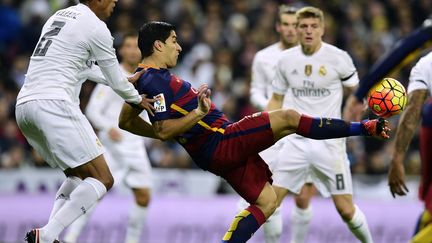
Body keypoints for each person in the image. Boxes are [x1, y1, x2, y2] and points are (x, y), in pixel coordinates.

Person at [118, 21, 390, 243]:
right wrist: (196, 115)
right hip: (222, 140)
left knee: (267, 201)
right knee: (289, 118)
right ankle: (364, 127)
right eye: (174, 40)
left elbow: (127, 122)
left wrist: (179, 130)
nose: (178, 47)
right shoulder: (154, 80)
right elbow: (164, 130)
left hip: (214, 151)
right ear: (158, 45)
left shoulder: (146, 79)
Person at [15, 1, 154, 243]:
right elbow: (115, 79)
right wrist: (136, 99)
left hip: (26, 106)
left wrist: (126, 79)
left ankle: (49, 235)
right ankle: (47, 235)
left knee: (77, 175)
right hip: (55, 103)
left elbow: (87, 69)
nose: (115, 3)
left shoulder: (59, 16)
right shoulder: (95, 27)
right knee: (103, 179)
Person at [266, 7, 373, 243]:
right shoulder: (286, 61)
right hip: (293, 142)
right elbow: (276, 98)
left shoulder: (339, 58)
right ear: (296, 29)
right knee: (268, 204)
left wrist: (353, 112)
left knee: (346, 209)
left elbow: (356, 93)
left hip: (329, 144)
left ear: (323, 29)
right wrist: (264, 130)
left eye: (314, 26)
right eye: (303, 26)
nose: (308, 31)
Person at [62, 33, 153, 243]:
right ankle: (71, 238)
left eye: (135, 47)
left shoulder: (146, 78)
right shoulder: (113, 76)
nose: (132, 50)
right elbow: (93, 110)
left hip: (135, 146)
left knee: (144, 195)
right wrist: (108, 127)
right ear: (121, 51)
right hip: (113, 145)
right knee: (95, 193)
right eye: (128, 46)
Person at [238, 5, 316, 243]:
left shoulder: (313, 56)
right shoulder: (264, 57)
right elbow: (255, 92)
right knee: (273, 196)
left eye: (295, 24)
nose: (291, 29)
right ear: (278, 26)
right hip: (273, 132)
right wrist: (274, 110)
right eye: (286, 24)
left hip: (303, 132)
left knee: (303, 197)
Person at [387, 51, 432, 242]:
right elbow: (413, 110)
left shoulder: (426, 65)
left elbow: (413, 110)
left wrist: (397, 158)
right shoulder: (426, 65)